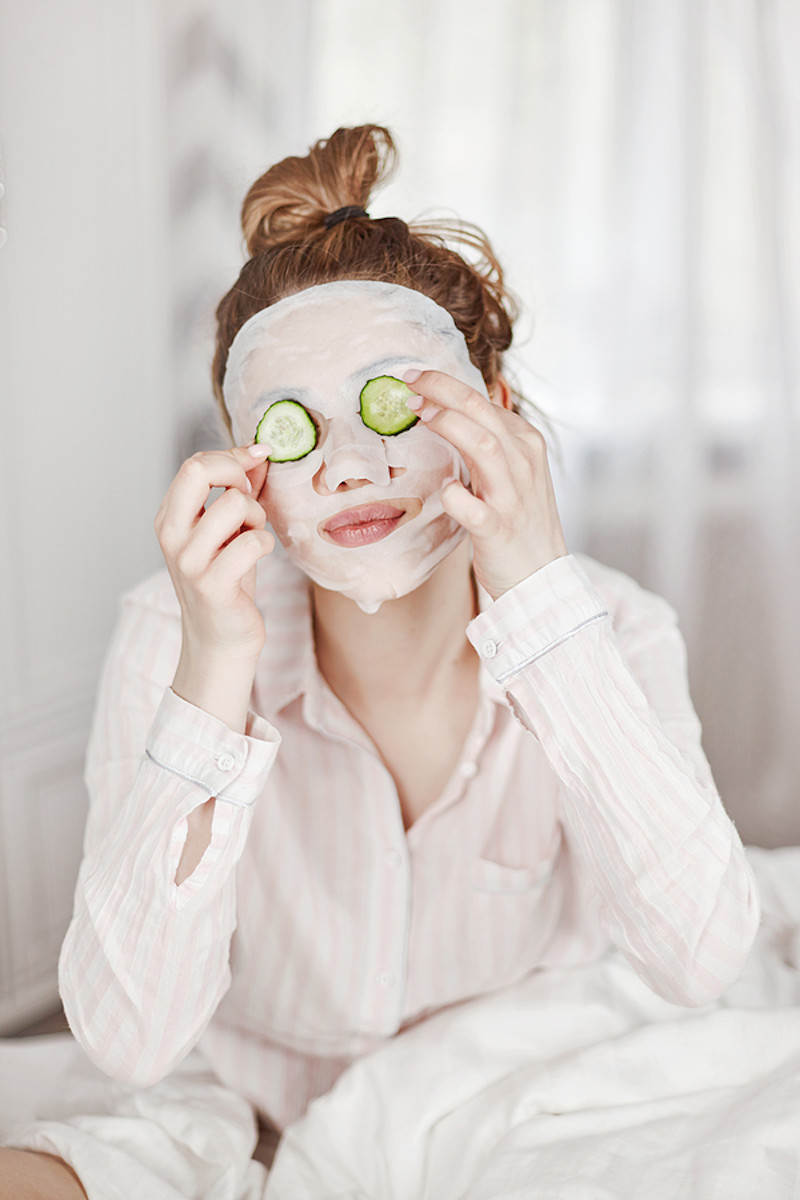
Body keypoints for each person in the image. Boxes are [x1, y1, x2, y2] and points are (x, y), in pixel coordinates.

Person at [0, 124, 760, 1199]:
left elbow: (699, 959)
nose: (353, 466)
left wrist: (539, 595)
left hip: (513, 1089)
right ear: (242, 457)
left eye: (391, 402)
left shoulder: (616, 628)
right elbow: (130, 1042)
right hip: (236, 1103)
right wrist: (215, 670)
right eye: (292, 426)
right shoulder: (174, 633)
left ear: (492, 412)